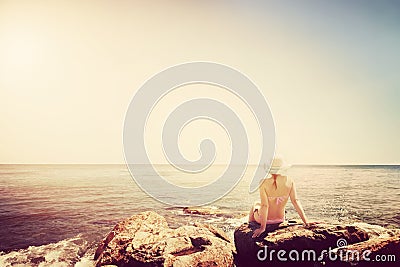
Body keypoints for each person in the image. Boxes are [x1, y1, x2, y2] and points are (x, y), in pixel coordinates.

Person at [249, 157, 311, 238]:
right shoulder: (290, 181)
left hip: (264, 220)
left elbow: (265, 206)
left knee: (255, 204)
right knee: (259, 203)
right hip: (280, 219)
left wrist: (262, 227)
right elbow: (295, 201)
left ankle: (249, 224)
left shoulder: (263, 182)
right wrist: (306, 221)